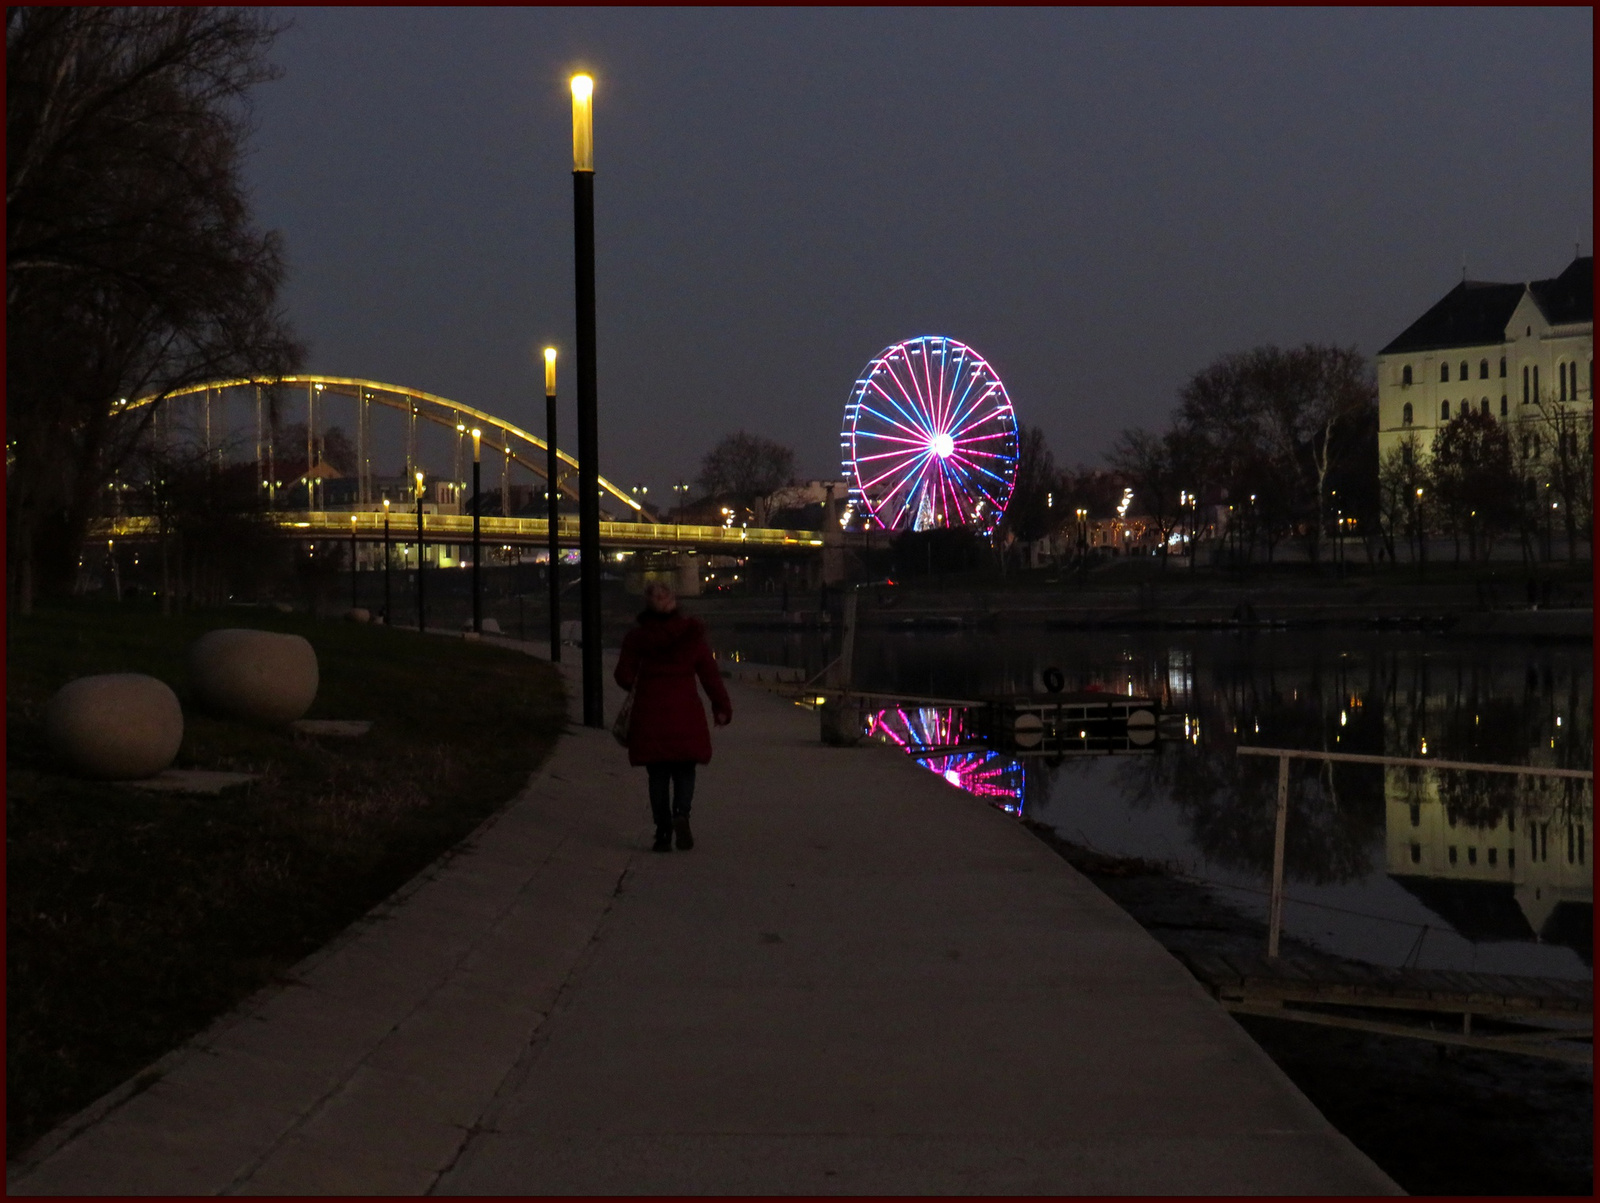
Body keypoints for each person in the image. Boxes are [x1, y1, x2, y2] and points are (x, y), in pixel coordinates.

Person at [614, 581, 732, 852]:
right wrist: (722, 708)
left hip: (650, 715)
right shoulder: (692, 636)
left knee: (657, 776)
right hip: (685, 714)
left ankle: (663, 832)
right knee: (685, 770)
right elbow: (710, 676)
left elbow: (623, 676)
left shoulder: (637, 639)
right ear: (674, 601)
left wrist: (641, 681)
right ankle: (681, 813)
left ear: (648, 603)